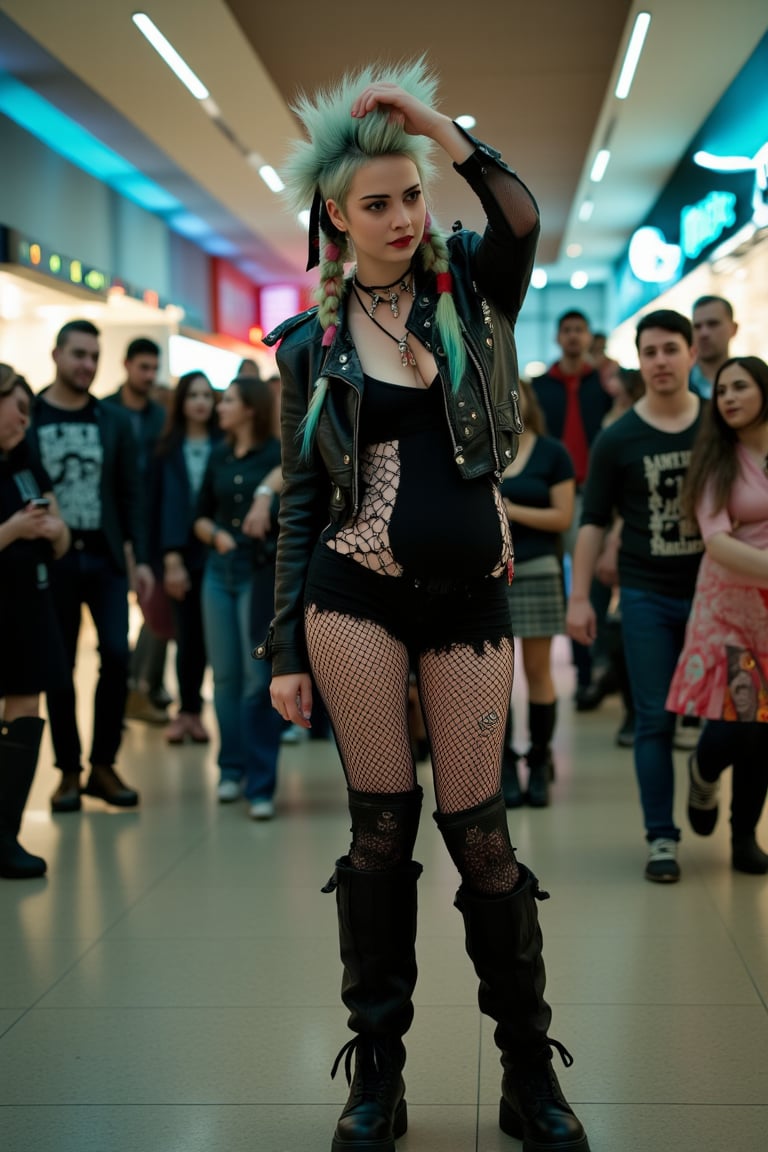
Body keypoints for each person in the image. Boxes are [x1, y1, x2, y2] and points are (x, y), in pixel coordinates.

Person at [258, 60, 589, 1152]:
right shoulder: (308, 347)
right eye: (378, 204)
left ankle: (529, 1074)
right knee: (377, 833)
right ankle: (377, 1079)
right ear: (335, 220)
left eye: (413, 196)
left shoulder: (475, 294)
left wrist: (438, 128)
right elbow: (304, 500)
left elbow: (520, 213)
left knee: (481, 837)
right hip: (349, 600)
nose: (405, 218)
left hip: (468, 602)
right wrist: (280, 649)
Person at [567, 309, 704, 884]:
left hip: (715, 593)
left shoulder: (718, 425)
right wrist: (580, 599)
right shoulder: (618, 438)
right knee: (653, 718)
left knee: (732, 721)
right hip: (644, 592)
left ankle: (708, 772)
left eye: (671, 349)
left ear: (691, 353)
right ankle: (661, 839)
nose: (661, 361)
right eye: (650, 352)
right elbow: (593, 519)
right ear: (638, 362)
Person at [27, 319, 153, 812]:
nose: (86, 364)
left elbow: (130, 495)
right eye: (78, 354)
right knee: (60, 667)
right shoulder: (30, 414)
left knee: (117, 658)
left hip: (104, 558)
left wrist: (138, 559)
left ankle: (104, 763)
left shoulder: (112, 420)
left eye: (93, 356)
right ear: (57, 355)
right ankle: (69, 772)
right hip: (51, 558)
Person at [666, 356, 768, 873]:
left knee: (765, 730)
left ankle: (744, 836)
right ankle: (704, 771)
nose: (727, 397)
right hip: (728, 606)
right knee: (742, 719)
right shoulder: (714, 460)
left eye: (740, 387)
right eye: (721, 390)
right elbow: (717, 541)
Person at [194, 374, 283, 819]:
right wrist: (215, 536)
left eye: (226, 400)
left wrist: (264, 497)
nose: (218, 407)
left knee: (255, 681)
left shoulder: (274, 455)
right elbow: (199, 518)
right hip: (218, 571)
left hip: (257, 573)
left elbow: (290, 472)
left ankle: (261, 781)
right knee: (225, 679)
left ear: (249, 407)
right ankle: (231, 769)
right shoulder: (218, 454)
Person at [0, 366, 70, 878]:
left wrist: (53, 530)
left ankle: (7, 834)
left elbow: (63, 537)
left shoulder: (26, 464)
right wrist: (16, 528)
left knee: (26, 708)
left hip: (29, 603)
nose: (25, 418)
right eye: (17, 407)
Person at [499, 378, 575, 808]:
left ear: (528, 400)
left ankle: (540, 759)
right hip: (490, 575)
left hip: (539, 569)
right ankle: (505, 762)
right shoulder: (484, 449)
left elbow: (563, 517)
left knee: (539, 671)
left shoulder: (552, 453)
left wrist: (509, 510)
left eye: (515, 392)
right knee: (499, 679)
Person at [532, 310, 612, 710]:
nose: (574, 337)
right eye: (567, 330)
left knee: (591, 586)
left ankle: (589, 673)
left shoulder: (604, 384)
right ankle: (580, 669)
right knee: (566, 586)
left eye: (580, 329)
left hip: (596, 495)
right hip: (554, 495)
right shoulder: (541, 387)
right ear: (558, 337)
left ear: (588, 335)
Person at [104, 337, 172, 724]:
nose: (148, 375)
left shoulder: (159, 417)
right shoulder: (105, 412)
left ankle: (140, 688)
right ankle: (132, 689)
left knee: (155, 612)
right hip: (113, 529)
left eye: (153, 368)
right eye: (143, 367)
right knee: (138, 618)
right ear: (127, 365)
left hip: (153, 528)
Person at [156, 371, 220, 744]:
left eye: (207, 396)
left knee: (219, 639)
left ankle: (202, 711)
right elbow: (158, 506)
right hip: (181, 556)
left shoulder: (224, 443)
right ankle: (189, 711)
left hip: (218, 553)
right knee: (188, 638)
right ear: (181, 401)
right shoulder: (165, 448)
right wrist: (169, 557)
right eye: (193, 395)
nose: (200, 402)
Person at [689, 295, 738, 401]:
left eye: (713, 324)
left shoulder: (753, 382)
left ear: (733, 329)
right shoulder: (678, 384)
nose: (703, 333)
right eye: (697, 326)